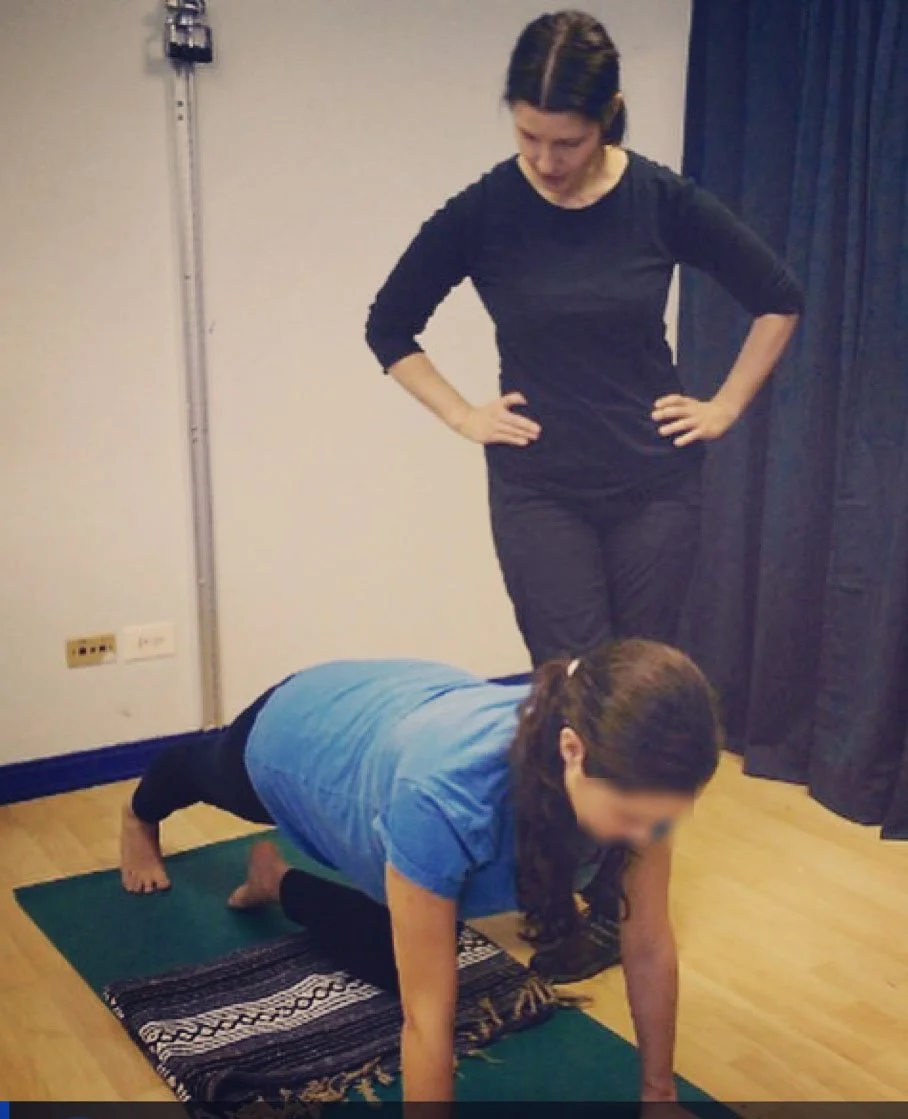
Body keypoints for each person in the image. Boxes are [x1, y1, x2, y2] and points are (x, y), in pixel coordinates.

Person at [363, 9, 803, 981]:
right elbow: (389, 324)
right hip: (539, 492)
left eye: (564, 142)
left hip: (655, 487)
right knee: (564, 693)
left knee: (636, 699)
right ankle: (547, 894)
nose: (545, 161)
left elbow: (778, 295)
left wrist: (725, 404)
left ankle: (616, 905)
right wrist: (461, 414)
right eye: (527, 136)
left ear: (608, 118)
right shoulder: (485, 209)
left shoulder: (659, 200)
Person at [121, 638, 723, 1106]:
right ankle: (138, 814)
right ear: (572, 751)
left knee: (411, 960)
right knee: (203, 768)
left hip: (410, 712)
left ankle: (274, 880)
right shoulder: (444, 797)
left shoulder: (640, 786)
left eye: (663, 820)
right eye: (632, 817)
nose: (647, 837)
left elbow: (647, 944)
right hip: (302, 732)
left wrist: (659, 1097)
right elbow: (427, 1022)